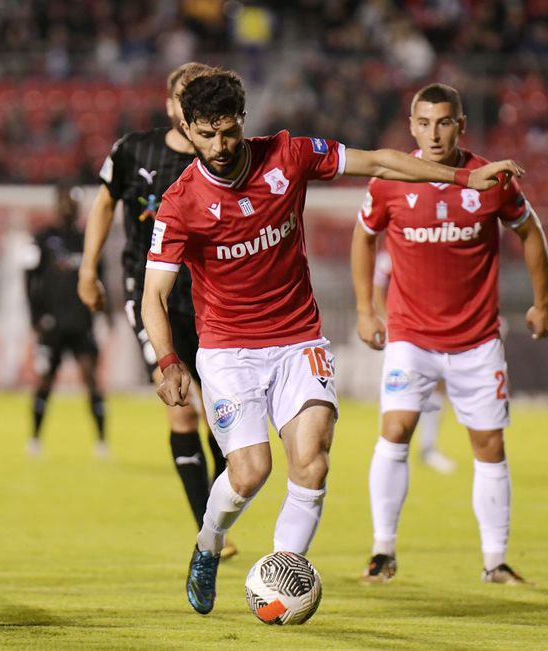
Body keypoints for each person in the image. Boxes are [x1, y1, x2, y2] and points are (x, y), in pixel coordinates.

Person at [141, 69, 523, 615]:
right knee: (250, 472)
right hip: (229, 350)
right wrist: (168, 361)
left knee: (313, 464)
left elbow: (380, 162)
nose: (219, 147)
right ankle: (208, 545)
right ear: (187, 129)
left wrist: (462, 179)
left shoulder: (288, 155)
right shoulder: (181, 202)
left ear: (243, 120)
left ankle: (280, 579)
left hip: (298, 339)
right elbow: (153, 295)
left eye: (228, 132)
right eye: (206, 135)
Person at [353, 83, 546, 585]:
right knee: (395, 430)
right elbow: (364, 236)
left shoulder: (490, 179)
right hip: (410, 337)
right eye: (424, 123)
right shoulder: (391, 179)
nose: (434, 133)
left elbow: (530, 231)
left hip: (477, 340)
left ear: (460, 125)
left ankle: (494, 561)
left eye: (444, 123)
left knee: (489, 444)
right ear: (412, 126)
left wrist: (542, 302)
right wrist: (366, 310)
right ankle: (382, 551)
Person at [78, 62, 237, 558]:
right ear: (172, 106)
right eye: (185, 97)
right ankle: (208, 531)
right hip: (151, 297)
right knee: (181, 411)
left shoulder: (225, 159)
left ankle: (219, 515)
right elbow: (104, 205)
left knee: (221, 417)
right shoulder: (133, 151)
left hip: (210, 297)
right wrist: (88, 269)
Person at [25, 182, 107, 457]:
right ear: (57, 204)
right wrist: (35, 315)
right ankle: (35, 440)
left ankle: (102, 442)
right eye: (65, 202)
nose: (69, 207)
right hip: (52, 323)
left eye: (73, 203)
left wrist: (104, 314)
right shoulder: (43, 238)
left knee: (91, 380)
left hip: (82, 322)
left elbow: (101, 278)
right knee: (44, 381)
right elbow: (28, 277)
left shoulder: (88, 238)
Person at [373, 249, 455, 475]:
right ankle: (390, 445)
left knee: (438, 384)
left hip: (427, 328)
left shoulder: (430, 251)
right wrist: (387, 320)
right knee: (397, 385)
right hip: (401, 333)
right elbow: (377, 288)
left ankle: (428, 448)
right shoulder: (390, 256)